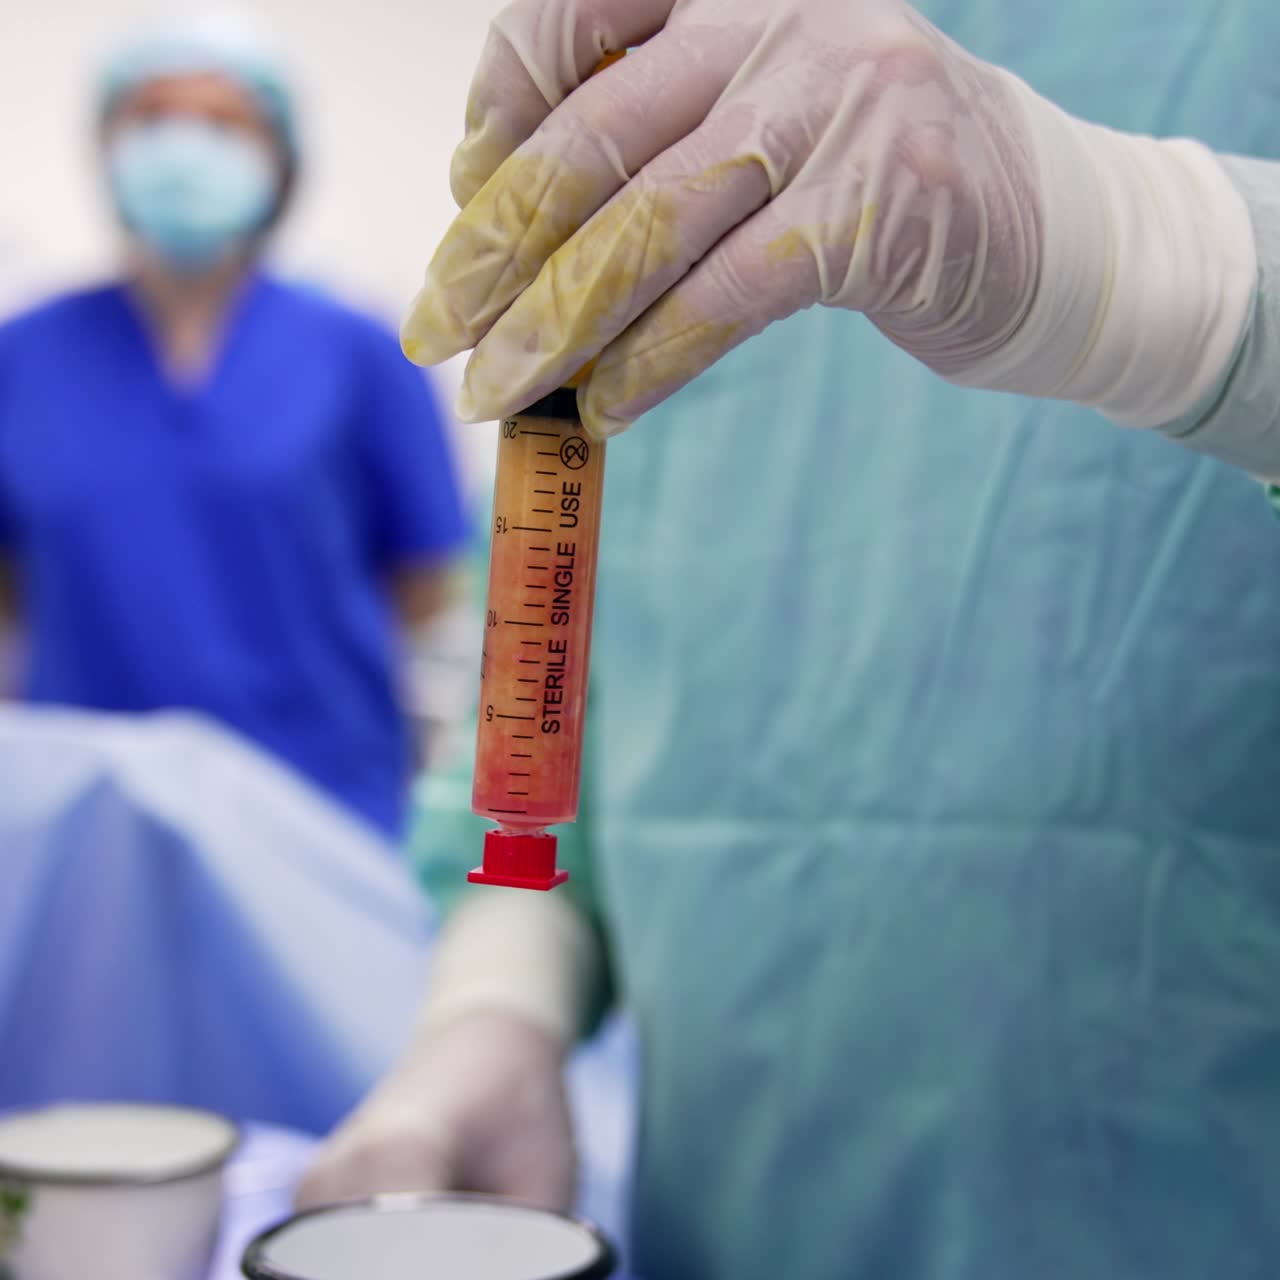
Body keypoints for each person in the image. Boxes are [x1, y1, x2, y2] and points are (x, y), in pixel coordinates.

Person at [301, 0, 1280, 1276]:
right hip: (734, 1217)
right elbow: (567, 684)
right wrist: (502, 999)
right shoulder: (688, 54)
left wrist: (1157, 258)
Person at [0, 15, 469, 839]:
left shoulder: (362, 352)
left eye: (222, 123)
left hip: (319, 806)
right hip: (81, 812)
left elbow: (425, 586)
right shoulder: (23, 355)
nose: (184, 147)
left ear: (277, 158)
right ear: (106, 145)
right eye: (153, 117)